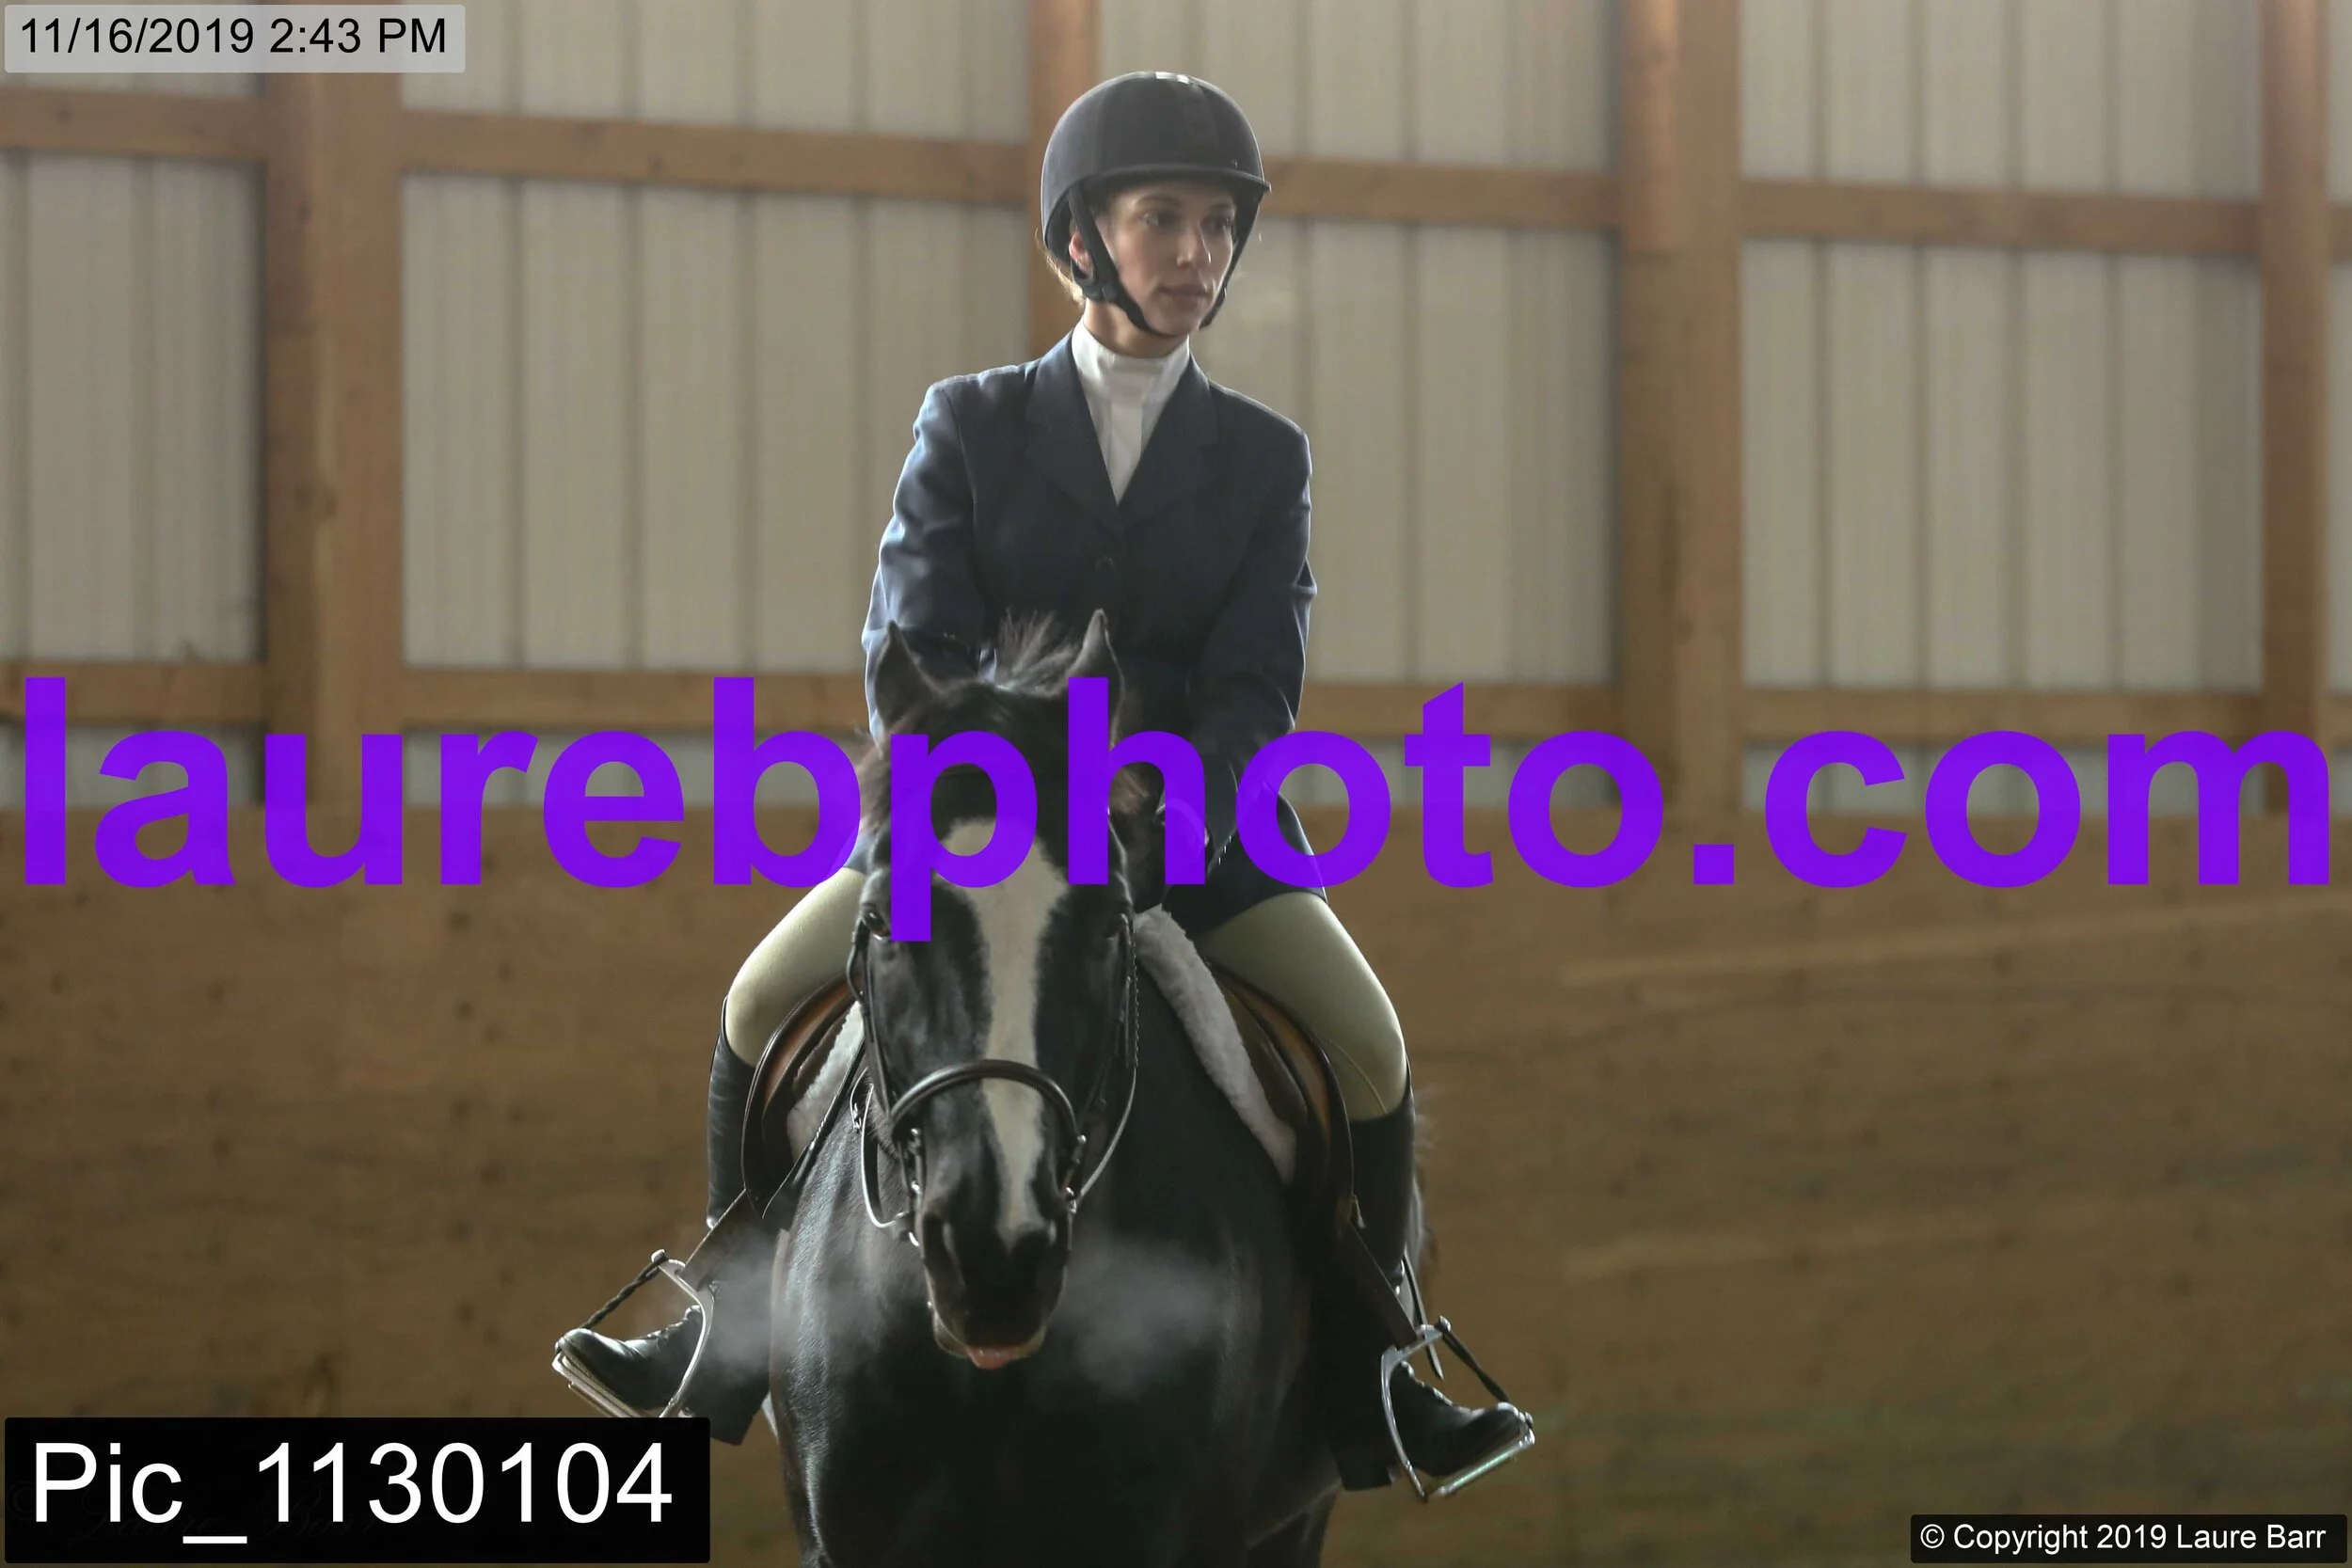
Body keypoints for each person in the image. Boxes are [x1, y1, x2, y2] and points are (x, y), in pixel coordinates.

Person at [556, 70, 1533, 1493]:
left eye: (1217, 226)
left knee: (1369, 1050)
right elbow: (910, 639)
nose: (1196, 253)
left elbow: (1255, 686)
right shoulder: (971, 423)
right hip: (971, 833)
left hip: (1196, 840)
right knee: (759, 1006)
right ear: (1083, 239)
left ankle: (1379, 1371)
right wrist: (998, 794)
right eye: (1164, 219)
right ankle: (724, 1323)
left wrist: (1157, 806)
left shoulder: (1263, 459)